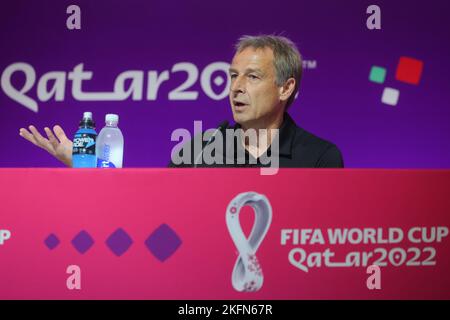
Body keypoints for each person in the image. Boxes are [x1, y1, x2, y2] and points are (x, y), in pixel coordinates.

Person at [19, 34, 344, 168]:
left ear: (285, 88)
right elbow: (151, 214)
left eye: (252, 77)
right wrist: (84, 165)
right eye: (233, 76)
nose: (236, 87)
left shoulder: (319, 157)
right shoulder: (199, 150)